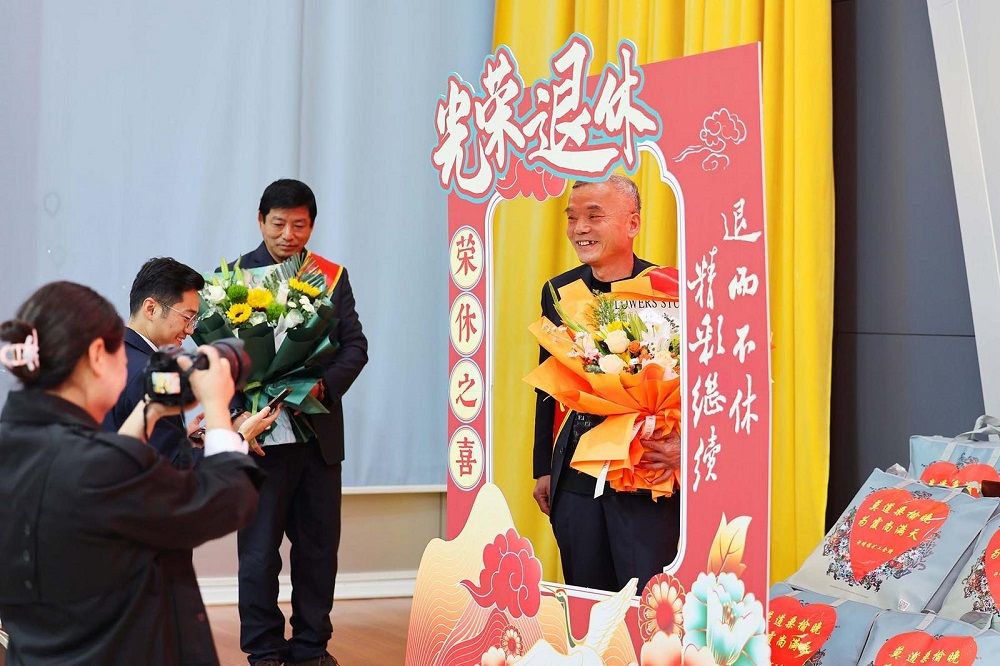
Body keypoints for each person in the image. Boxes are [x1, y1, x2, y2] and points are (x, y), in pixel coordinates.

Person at [0, 281, 262, 665]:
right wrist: (219, 408)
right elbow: (227, 500)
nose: (126, 367)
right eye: (120, 357)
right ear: (97, 355)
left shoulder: (21, 446)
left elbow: (102, 483)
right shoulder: (97, 465)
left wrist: (149, 411)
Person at [232, 179, 368, 666]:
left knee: (317, 551)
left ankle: (311, 647)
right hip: (260, 439)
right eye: (278, 224)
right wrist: (237, 415)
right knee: (258, 553)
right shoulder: (233, 283)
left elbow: (355, 346)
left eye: (300, 225)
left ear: (312, 225)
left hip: (317, 438)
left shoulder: (330, 276)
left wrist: (322, 388)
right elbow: (221, 356)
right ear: (260, 221)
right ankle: (264, 650)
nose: (288, 234)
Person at [532, 175, 681, 592]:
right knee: (585, 598)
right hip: (576, 472)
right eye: (572, 217)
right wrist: (543, 467)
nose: (580, 228)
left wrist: (684, 447)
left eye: (594, 216)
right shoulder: (559, 291)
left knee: (646, 599)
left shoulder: (667, 289)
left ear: (633, 223)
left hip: (645, 471)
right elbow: (548, 382)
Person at [103, 257, 280, 468]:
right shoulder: (153, 374)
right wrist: (240, 437)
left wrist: (182, 441)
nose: (190, 330)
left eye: (194, 321)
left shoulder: (109, 356)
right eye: (187, 318)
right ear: (151, 309)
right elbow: (175, 468)